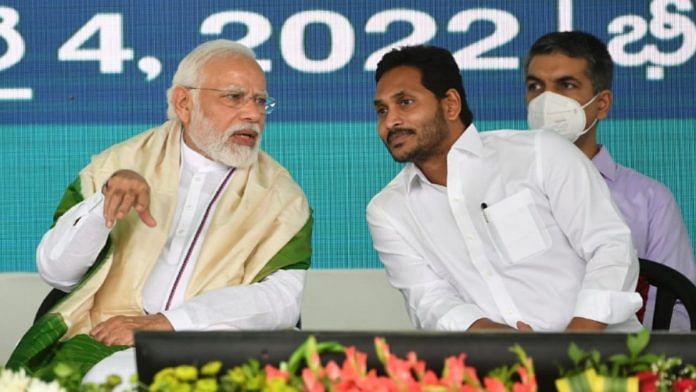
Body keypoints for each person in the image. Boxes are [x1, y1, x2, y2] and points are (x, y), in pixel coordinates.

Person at [7, 39, 313, 382]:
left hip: (212, 341)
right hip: (103, 333)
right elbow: (56, 272)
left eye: (260, 101)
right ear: (184, 102)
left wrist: (170, 324)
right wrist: (103, 206)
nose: (253, 114)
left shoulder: (282, 198)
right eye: (234, 97)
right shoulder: (116, 165)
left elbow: (283, 300)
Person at [367, 45, 643, 332]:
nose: (390, 121)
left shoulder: (540, 154)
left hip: (606, 355)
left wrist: (573, 345)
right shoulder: (389, 210)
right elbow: (430, 301)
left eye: (406, 103)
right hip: (496, 369)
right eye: (382, 110)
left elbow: (610, 246)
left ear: (450, 104)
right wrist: (508, 349)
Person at [524, 31, 696, 331]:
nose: (546, 100)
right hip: (519, 361)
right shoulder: (502, 189)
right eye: (535, 86)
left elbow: (678, 309)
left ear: (602, 104)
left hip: (621, 365)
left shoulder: (650, 200)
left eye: (566, 85)